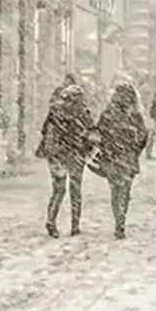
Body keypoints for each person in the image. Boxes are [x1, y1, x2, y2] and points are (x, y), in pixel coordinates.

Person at [36, 84, 94, 237]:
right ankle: (75, 226)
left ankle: (51, 220)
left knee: (58, 190)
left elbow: (44, 130)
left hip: (57, 154)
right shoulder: (82, 111)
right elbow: (90, 132)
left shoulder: (55, 111)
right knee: (75, 191)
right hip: (75, 154)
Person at [94, 84, 147, 238]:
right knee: (125, 190)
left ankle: (119, 218)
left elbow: (99, 134)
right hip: (128, 157)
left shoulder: (108, 114)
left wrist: (105, 148)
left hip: (112, 157)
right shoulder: (135, 116)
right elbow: (143, 136)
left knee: (115, 191)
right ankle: (121, 218)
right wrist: (136, 150)